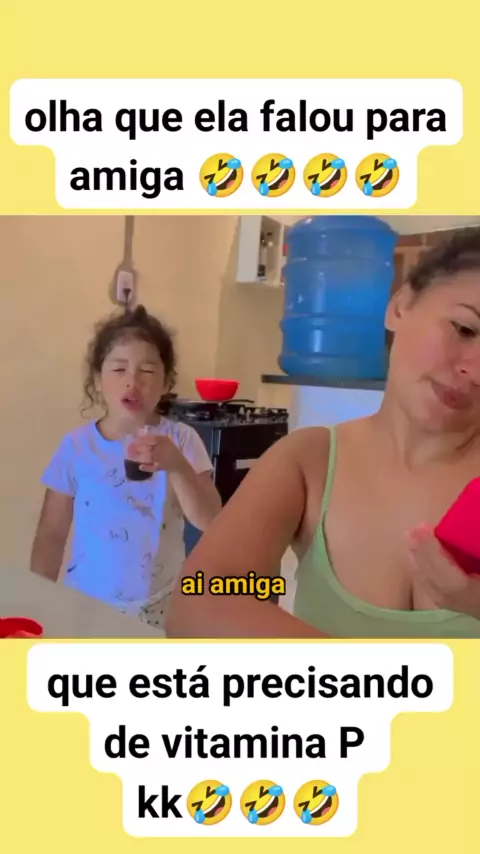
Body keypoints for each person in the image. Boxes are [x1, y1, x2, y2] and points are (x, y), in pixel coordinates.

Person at [166, 227, 480, 638]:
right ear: (401, 306)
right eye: (465, 329)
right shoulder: (308, 462)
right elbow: (200, 601)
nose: (474, 370)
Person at [30, 305, 221, 629]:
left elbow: (211, 519)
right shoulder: (76, 447)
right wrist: (40, 604)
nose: (132, 381)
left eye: (147, 370)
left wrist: (177, 466)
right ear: (97, 380)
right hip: (87, 606)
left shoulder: (182, 440)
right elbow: (51, 535)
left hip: (162, 608)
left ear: (166, 382)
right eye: (119, 369)